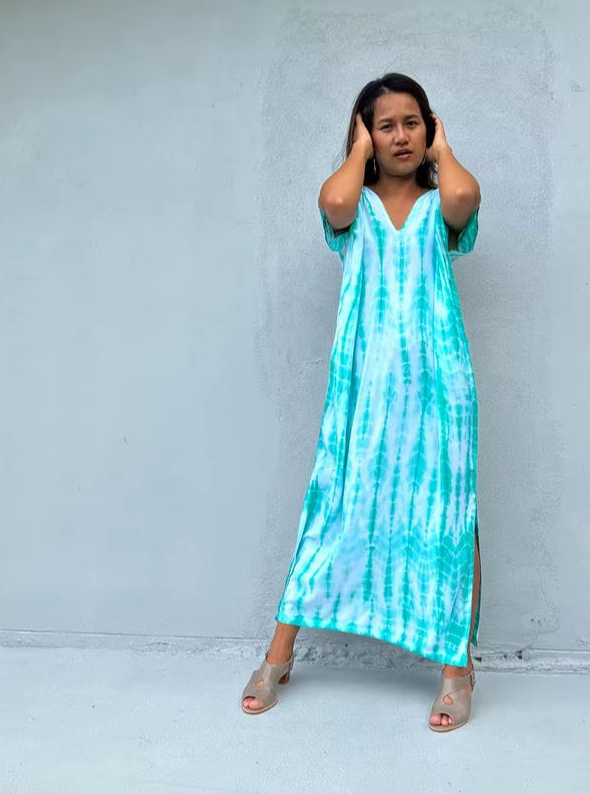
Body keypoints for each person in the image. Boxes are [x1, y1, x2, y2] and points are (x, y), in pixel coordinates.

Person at [242, 73, 482, 732]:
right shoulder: (356, 207)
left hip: (440, 388)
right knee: (333, 504)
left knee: (446, 518)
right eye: (385, 125)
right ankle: (278, 655)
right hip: (363, 389)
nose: (400, 136)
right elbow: (336, 201)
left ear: (429, 128)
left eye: (412, 123)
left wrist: (444, 151)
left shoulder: (439, 206)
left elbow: (464, 195)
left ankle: (457, 670)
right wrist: (355, 153)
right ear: (365, 134)